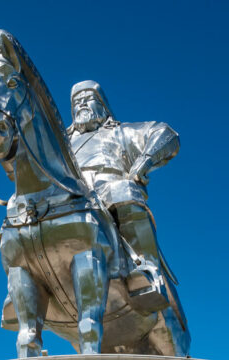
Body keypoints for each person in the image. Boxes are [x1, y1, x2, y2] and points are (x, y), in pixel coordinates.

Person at [67, 80, 183, 317]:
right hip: (69, 196)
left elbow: (166, 134)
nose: (81, 105)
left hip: (108, 190)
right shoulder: (64, 143)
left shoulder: (121, 132)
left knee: (123, 190)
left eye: (87, 99)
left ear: (102, 105)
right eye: (76, 102)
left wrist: (145, 160)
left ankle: (143, 271)